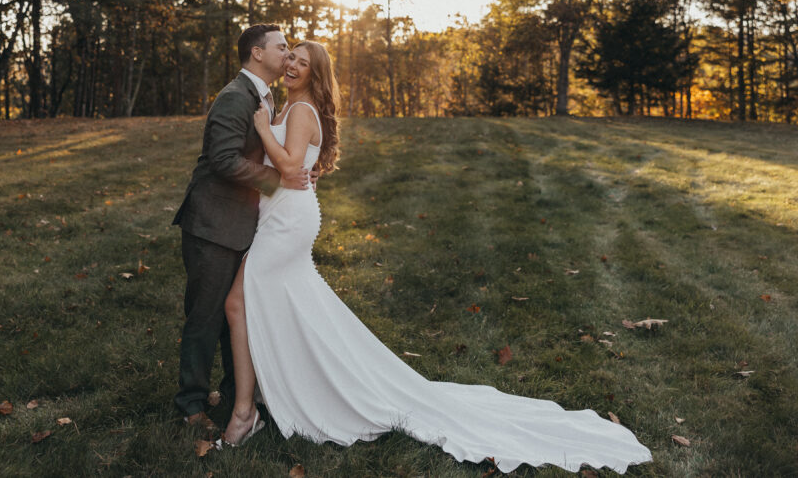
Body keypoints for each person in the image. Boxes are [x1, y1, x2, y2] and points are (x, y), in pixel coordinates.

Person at [221, 40, 653, 474]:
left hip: (287, 223)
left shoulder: (296, 111)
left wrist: (262, 130)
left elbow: (292, 168)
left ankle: (248, 412)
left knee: (241, 301)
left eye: (303, 61)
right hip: (283, 214)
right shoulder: (286, 105)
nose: (293, 64)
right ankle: (280, 391)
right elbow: (296, 169)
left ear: (316, 74)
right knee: (280, 302)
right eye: (290, 56)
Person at [172, 24, 311, 433]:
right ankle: (191, 409)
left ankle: (236, 395)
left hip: (242, 223)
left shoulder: (266, 97)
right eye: (281, 47)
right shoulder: (235, 97)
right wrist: (277, 180)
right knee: (206, 316)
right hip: (213, 224)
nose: (287, 54)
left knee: (236, 313)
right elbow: (223, 160)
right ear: (256, 53)